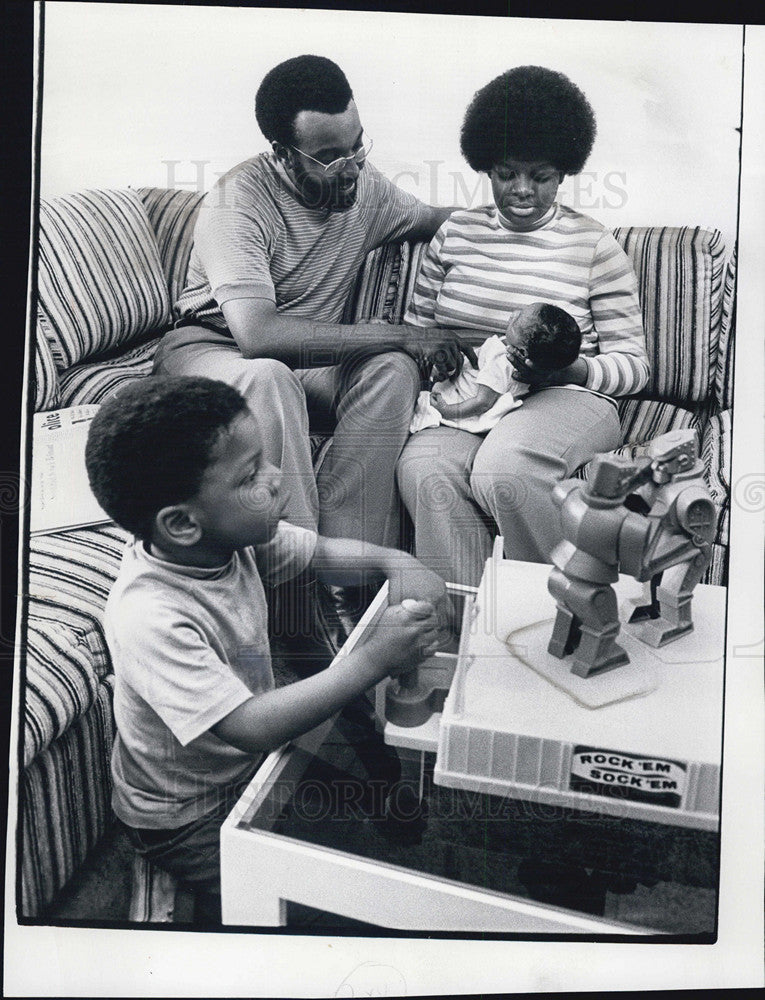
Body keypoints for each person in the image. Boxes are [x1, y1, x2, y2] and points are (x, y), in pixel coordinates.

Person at [85, 376, 452, 925]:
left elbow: (326, 553)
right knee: (306, 909)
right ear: (183, 523)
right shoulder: (151, 616)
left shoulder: (236, 539)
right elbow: (249, 726)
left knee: (357, 809)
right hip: (184, 814)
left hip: (249, 766)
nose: (278, 477)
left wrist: (395, 562)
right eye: (251, 474)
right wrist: (373, 659)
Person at [152, 54, 478, 627]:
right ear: (280, 153)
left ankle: (343, 577)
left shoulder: (364, 189)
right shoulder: (238, 203)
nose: (351, 169)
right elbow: (258, 335)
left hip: (306, 365)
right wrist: (404, 331)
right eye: (329, 158)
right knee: (271, 376)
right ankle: (295, 598)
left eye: (357, 147)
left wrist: (524, 221)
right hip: (212, 350)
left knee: (393, 370)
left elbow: (435, 220)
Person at [397, 65, 650, 585]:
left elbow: (635, 367)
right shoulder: (456, 235)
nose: (522, 190)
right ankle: (467, 631)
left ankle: (557, 611)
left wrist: (567, 372)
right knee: (424, 471)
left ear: (564, 172)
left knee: (505, 470)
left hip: (566, 398)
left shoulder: (593, 245)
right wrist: (431, 352)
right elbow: (414, 331)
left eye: (541, 176)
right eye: (507, 172)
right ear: (486, 164)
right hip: (472, 396)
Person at [410, 302, 581, 435]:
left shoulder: (502, 361)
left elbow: (482, 402)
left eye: (518, 317)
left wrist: (447, 410)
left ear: (522, 351)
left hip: (463, 404)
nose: (513, 313)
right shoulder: (521, 358)